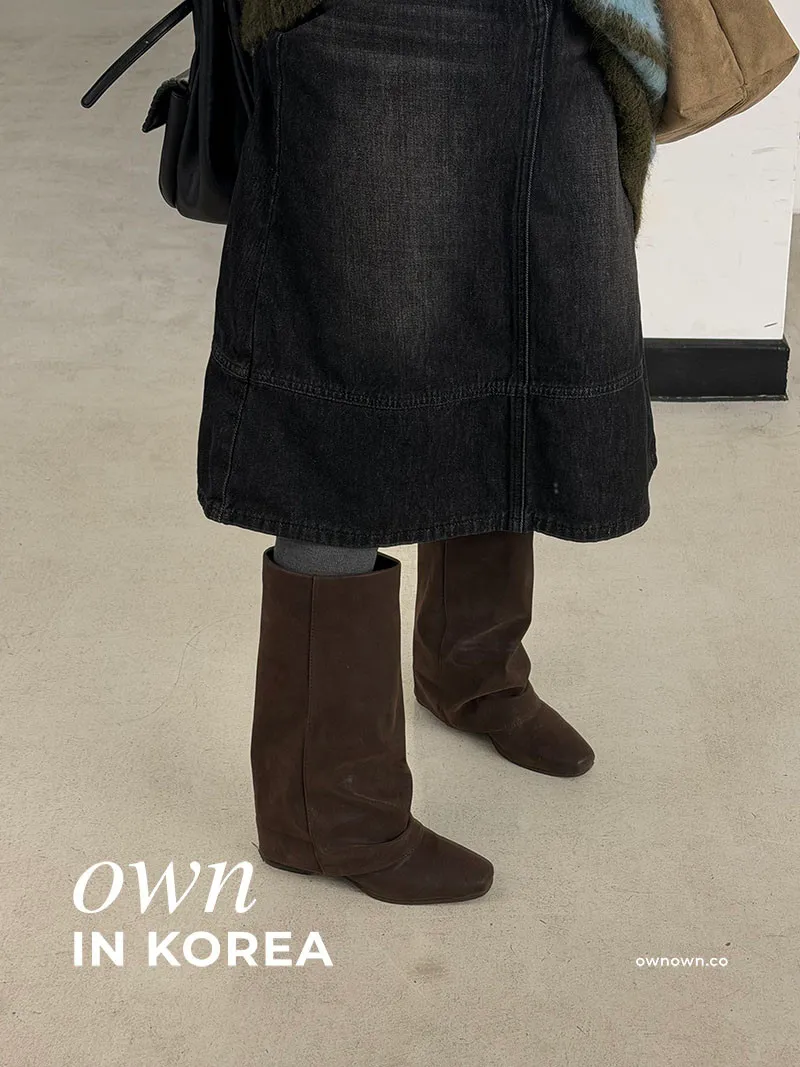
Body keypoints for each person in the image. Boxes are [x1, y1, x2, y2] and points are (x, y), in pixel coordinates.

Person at [195, 0, 668, 904]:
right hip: (374, 24)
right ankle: (328, 810)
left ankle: (470, 668)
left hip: (570, 25)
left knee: (531, 332)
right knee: (351, 379)